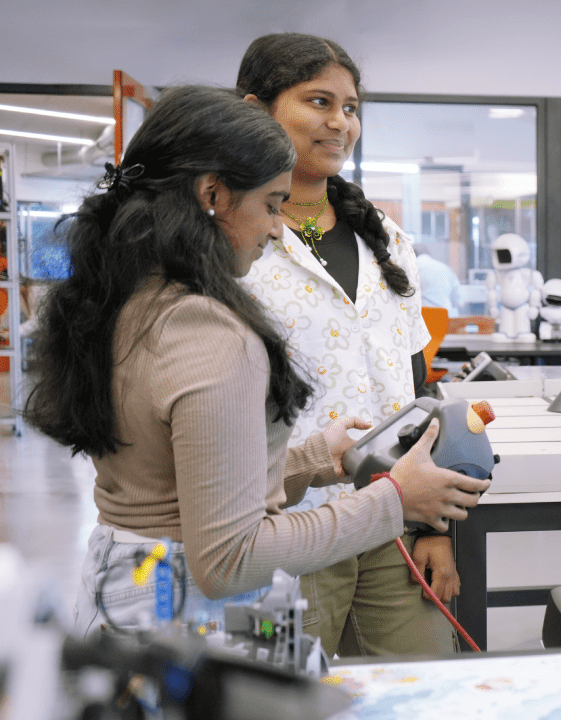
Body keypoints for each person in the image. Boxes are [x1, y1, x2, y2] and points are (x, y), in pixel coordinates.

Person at [21, 85, 488, 637]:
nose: (274, 228)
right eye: (270, 204)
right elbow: (228, 560)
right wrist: (396, 498)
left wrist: (315, 458)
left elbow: (179, 486)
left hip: (128, 585)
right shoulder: (214, 334)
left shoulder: (129, 300)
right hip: (192, 616)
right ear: (212, 194)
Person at [237, 33, 461, 657]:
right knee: (291, 695)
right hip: (284, 527)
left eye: (351, 107)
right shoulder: (229, 237)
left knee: (421, 688)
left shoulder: (386, 238)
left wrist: (433, 525)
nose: (340, 123)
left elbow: (416, 390)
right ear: (257, 110)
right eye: (319, 102)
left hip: (395, 516)